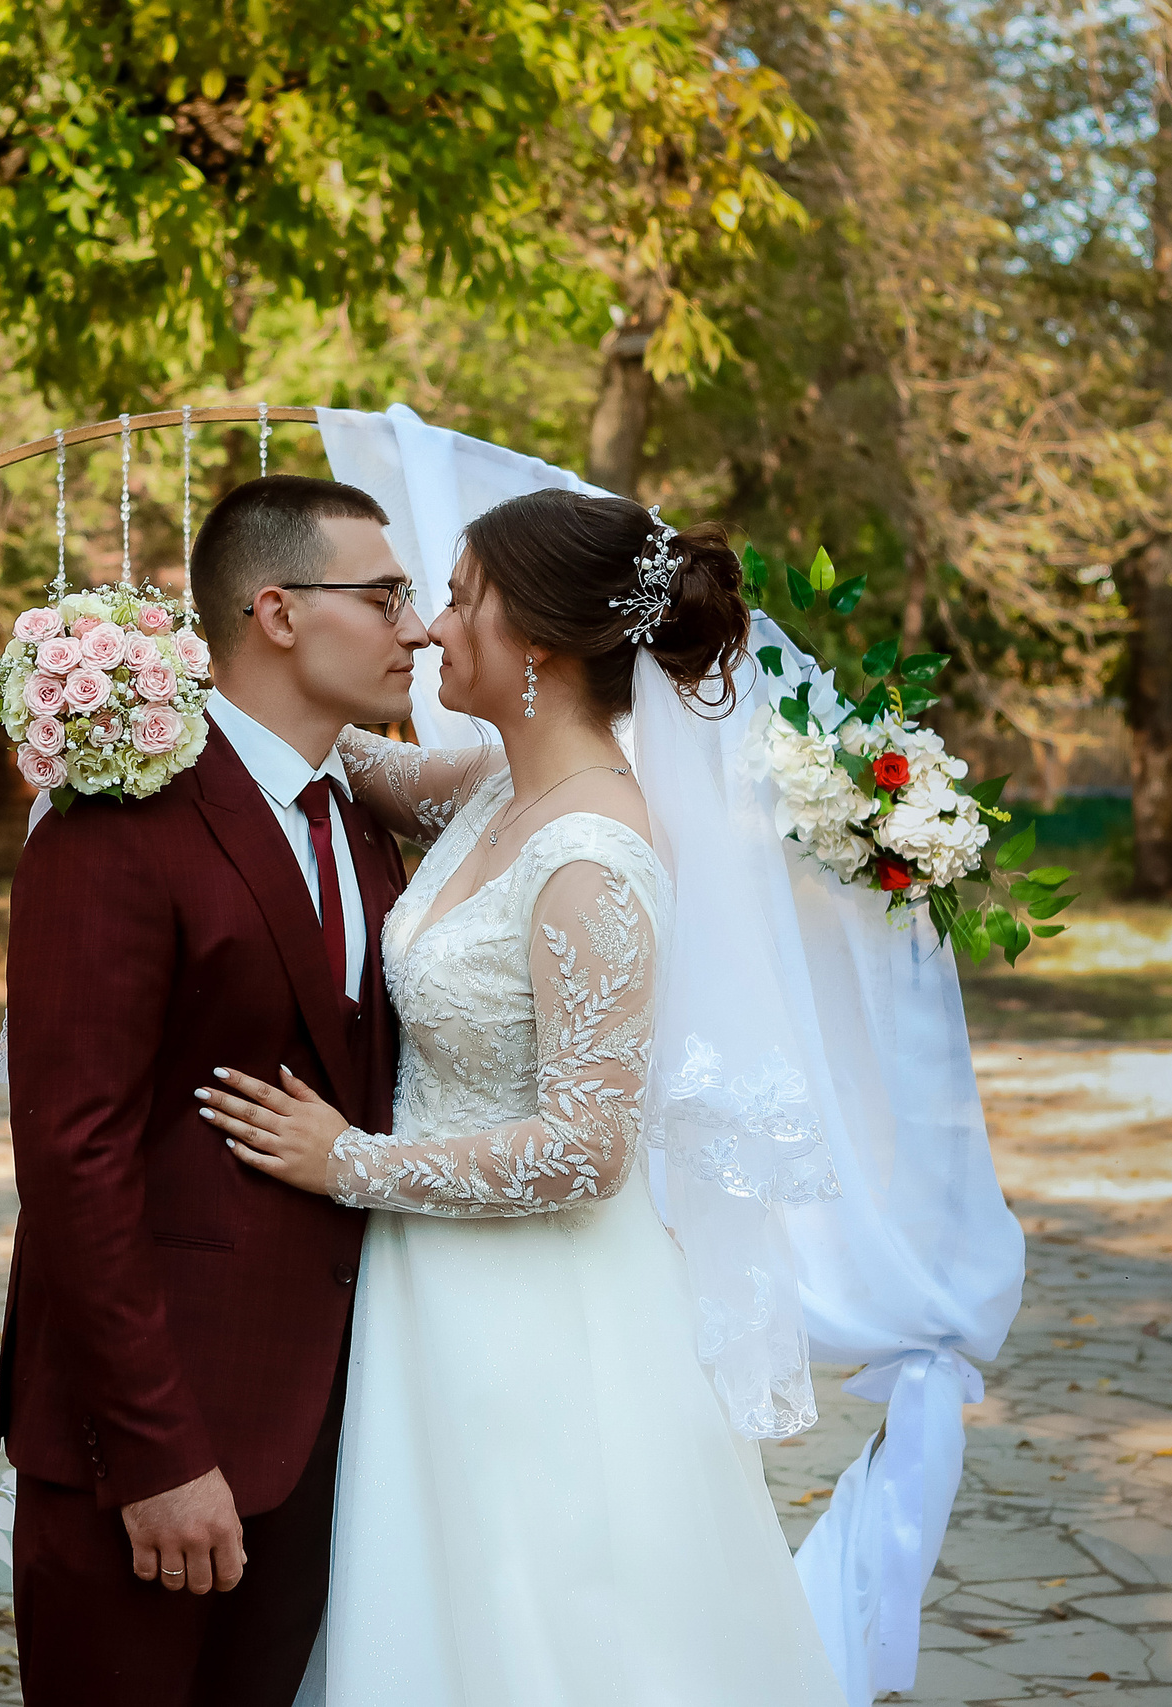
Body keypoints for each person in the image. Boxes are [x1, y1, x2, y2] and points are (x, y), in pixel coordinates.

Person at [197, 488, 848, 1704]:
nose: (430, 628)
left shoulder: (591, 854)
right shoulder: (499, 789)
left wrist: (348, 1162)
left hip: (533, 1309)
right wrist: (159, 677)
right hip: (431, 1287)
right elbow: (344, 760)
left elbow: (589, 1148)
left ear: (537, 641)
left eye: (458, 600)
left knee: (539, 1628)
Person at [0, 474, 429, 1706]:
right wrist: (155, 1455)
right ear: (276, 612)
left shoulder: (357, 818)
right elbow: (72, 1156)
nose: (415, 629)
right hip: (149, 1442)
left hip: (324, 1425)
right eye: (384, 596)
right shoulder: (116, 819)